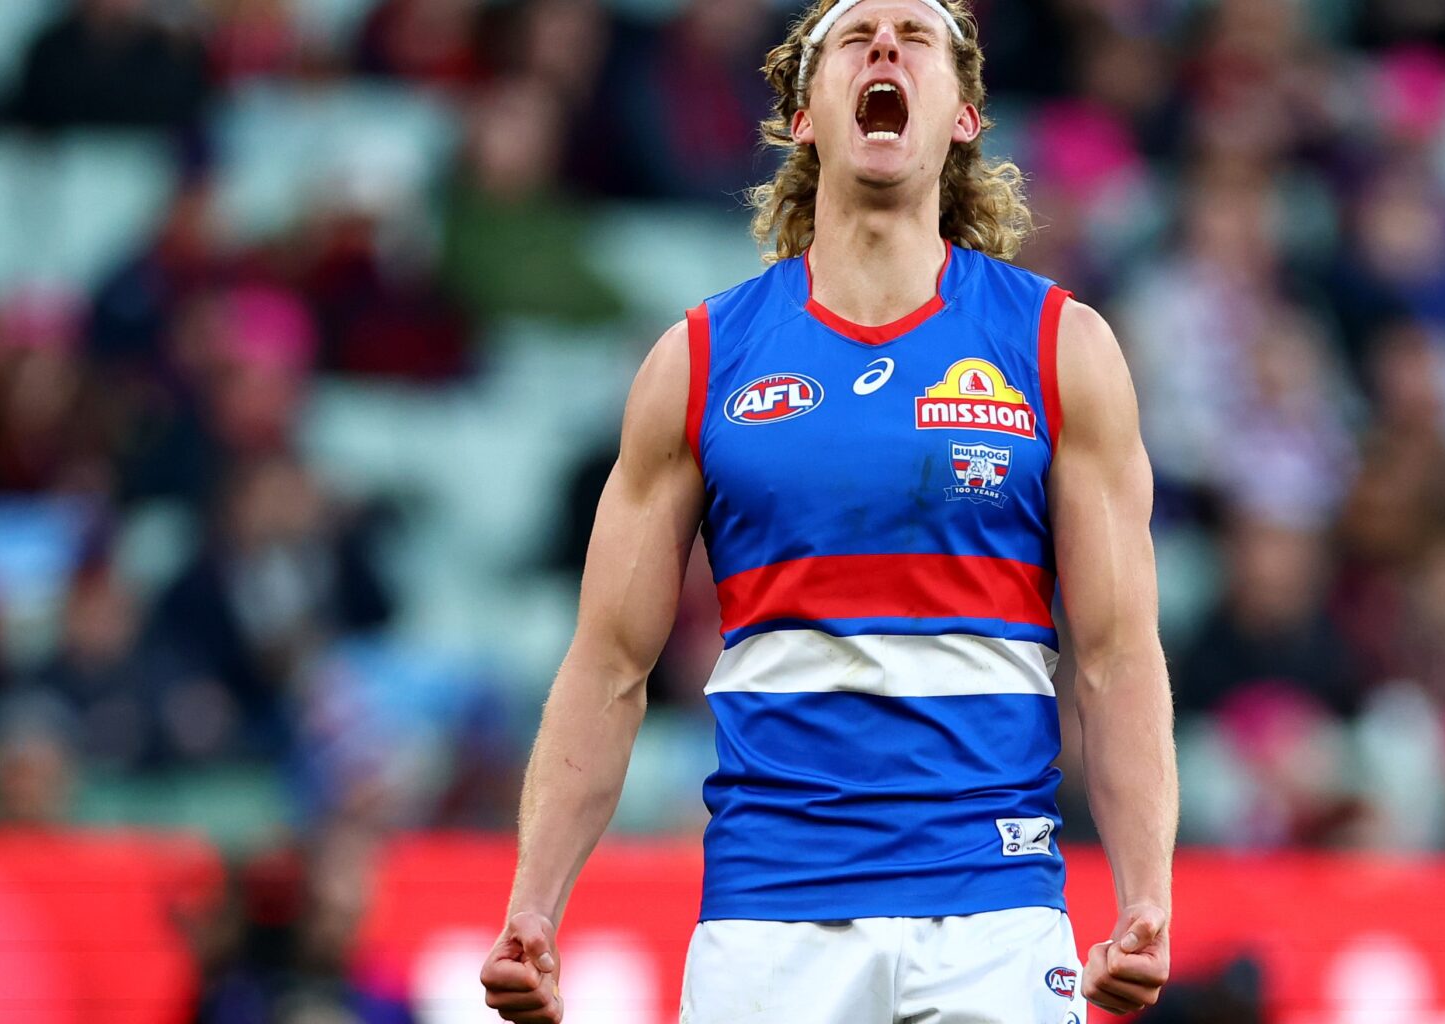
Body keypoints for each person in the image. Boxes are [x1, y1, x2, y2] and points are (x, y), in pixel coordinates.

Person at [478, 1, 1178, 1021]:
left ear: (965, 115)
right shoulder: (700, 361)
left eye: (916, 35)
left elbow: (1117, 655)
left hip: (995, 914)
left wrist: (1146, 895)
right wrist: (535, 907)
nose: (885, 44)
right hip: (769, 923)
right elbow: (608, 664)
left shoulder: (1060, 348)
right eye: (855, 36)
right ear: (804, 116)